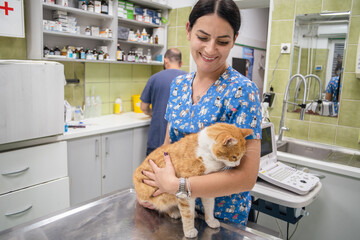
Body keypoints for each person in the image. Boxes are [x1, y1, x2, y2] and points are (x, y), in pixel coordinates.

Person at [140, 0, 262, 226]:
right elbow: (168, 149)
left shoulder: (243, 91)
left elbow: (246, 178)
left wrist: (179, 186)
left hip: (220, 218)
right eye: (203, 37)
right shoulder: (179, 85)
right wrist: (154, 186)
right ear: (188, 30)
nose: (210, 49)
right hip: (176, 209)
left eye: (223, 41)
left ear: (234, 39)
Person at [140, 48, 187, 156]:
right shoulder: (189, 79)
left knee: (152, 171)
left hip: (157, 139)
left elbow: (143, 107)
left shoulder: (154, 78)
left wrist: (153, 112)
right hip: (180, 142)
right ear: (181, 63)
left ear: (165, 61)